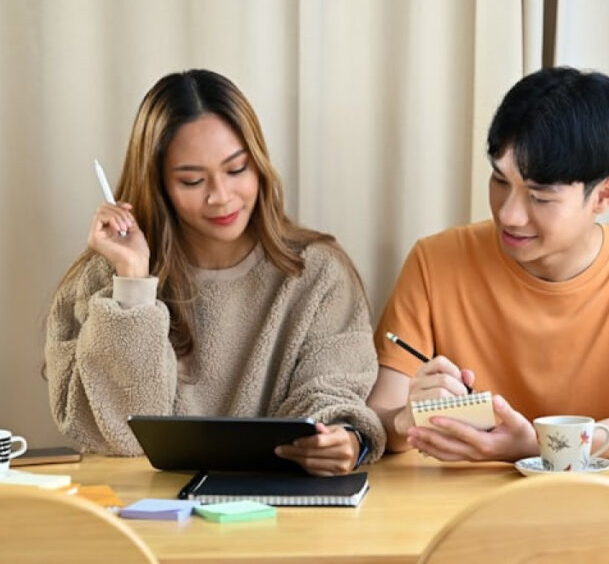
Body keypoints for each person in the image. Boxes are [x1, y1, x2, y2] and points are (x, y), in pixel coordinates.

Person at [46, 69, 384, 475]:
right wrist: (133, 285)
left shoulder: (318, 274)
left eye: (237, 170)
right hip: (140, 516)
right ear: (158, 184)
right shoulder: (106, 280)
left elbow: (331, 397)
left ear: (259, 165)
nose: (221, 197)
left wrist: (340, 439)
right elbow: (123, 436)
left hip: (281, 512)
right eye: (191, 180)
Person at [368, 66, 609, 463]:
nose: (509, 214)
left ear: (604, 196)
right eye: (499, 181)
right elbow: (378, 420)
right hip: (464, 510)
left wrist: (540, 446)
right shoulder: (435, 262)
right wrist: (406, 419)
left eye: (540, 197)